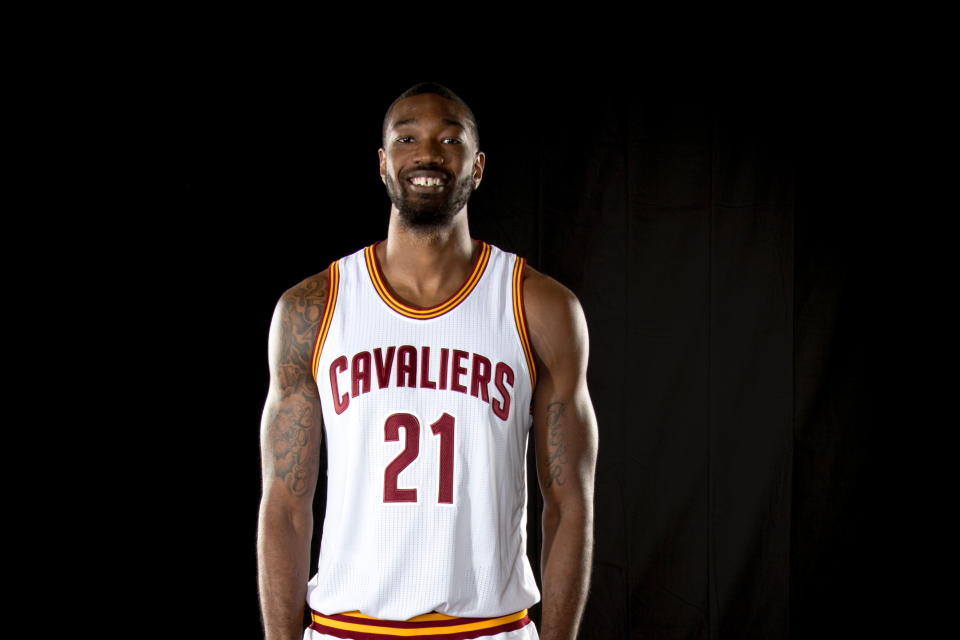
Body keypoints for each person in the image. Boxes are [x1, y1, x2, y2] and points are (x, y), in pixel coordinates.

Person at [257, 82, 598, 640]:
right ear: (383, 162)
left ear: (478, 165)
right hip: (348, 629)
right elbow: (285, 508)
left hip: (489, 628)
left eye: (450, 139)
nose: (428, 154)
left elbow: (569, 506)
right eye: (407, 137)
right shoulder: (311, 310)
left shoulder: (539, 307)